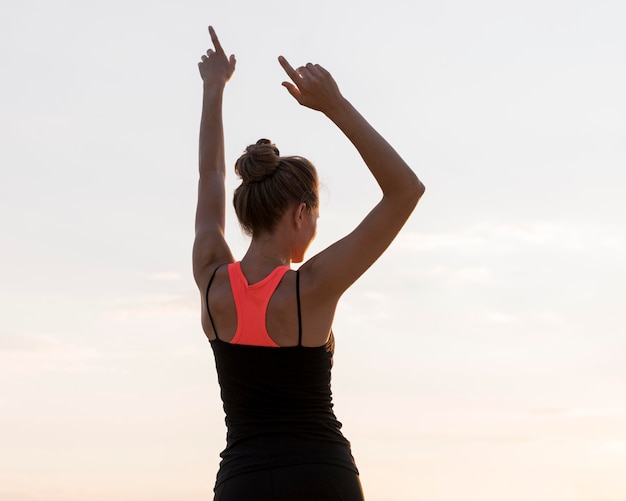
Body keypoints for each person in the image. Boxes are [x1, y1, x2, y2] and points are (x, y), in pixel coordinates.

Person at [193, 26, 425, 501]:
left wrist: (213, 89)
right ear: (300, 213)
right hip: (322, 478)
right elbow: (406, 190)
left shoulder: (212, 276)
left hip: (244, 482)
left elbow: (211, 173)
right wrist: (333, 105)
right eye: (315, 212)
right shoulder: (313, 287)